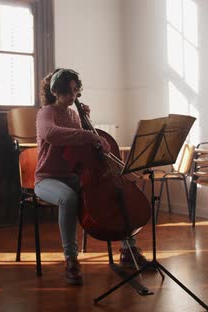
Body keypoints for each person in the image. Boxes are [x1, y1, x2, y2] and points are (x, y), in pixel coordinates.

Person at [34, 68, 149, 285]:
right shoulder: (46, 113)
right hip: (47, 179)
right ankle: (71, 259)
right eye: (68, 92)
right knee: (67, 198)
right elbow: (52, 134)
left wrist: (87, 122)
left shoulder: (74, 114)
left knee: (113, 193)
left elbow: (82, 149)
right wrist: (88, 133)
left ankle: (128, 248)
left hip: (74, 175)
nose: (73, 96)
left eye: (76, 91)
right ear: (55, 92)